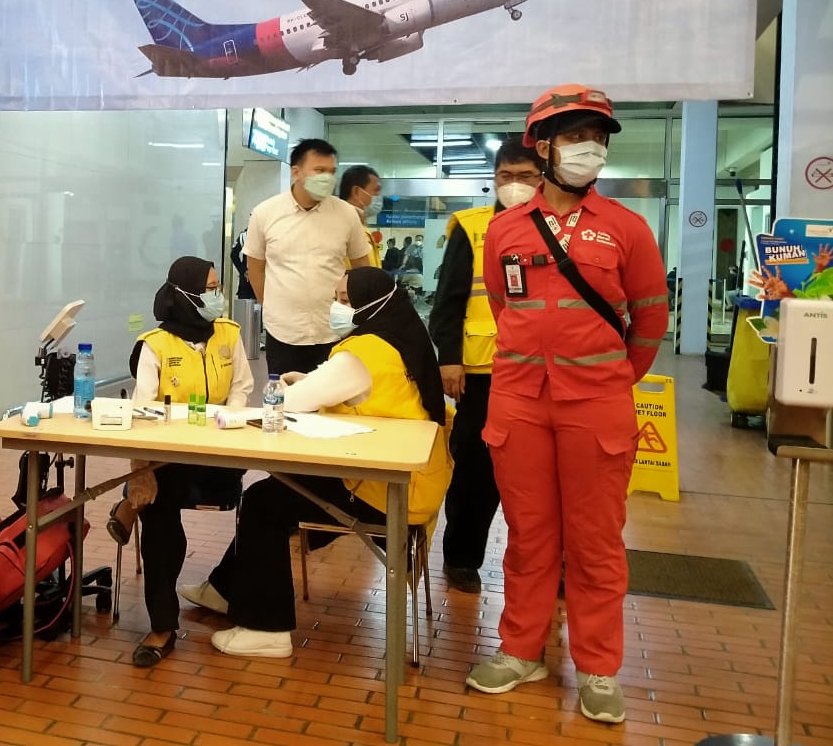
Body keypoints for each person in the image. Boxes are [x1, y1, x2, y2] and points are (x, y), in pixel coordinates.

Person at [465, 85, 668, 725]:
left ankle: (600, 669)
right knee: (528, 535)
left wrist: (607, 379)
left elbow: (650, 322)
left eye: (599, 138)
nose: (591, 149)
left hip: (597, 407)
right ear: (544, 146)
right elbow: (505, 307)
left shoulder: (627, 229)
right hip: (520, 402)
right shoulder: (504, 231)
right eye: (577, 136)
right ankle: (521, 649)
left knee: (595, 542)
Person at [179, 268, 451, 658]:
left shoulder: (365, 352)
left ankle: (266, 629)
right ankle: (225, 589)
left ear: (369, 304)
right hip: (409, 487)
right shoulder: (399, 339)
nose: (336, 307)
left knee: (263, 502)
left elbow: (289, 403)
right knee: (282, 484)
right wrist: (309, 381)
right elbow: (354, 389)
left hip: (380, 493)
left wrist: (295, 388)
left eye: (344, 299)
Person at [105, 257, 253, 668]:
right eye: (208, 288)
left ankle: (130, 503)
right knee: (163, 506)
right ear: (184, 294)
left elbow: (241, 386)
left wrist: (229, 418)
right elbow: (143, 410)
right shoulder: (155, 345)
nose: (216, 296)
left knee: (159, 494)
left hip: (220, 452)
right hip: (172, 453)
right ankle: (163, 625)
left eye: (217, 286)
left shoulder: (229, 334)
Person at [429, 138, 544, 594]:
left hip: (542, 369)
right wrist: (449, 360)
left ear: (543, 178)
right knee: (475, 470)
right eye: (505, 177)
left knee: (539, 473)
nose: (514, 186)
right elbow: (449, 299)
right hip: (480, 371)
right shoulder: (472, 227)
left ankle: (544, 565)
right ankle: (461, 558)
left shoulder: (558, 226)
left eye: (525, 177)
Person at [245, 138, 371, 376]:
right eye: (319, 170)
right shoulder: (265, 213)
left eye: (332, 172)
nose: (328, 178)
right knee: (287, 403)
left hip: (334, 330)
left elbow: (363, 268)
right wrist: (270, 305)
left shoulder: (346, 214)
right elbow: (256, 268)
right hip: (283, 330)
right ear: (296, 172)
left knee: (334, 404)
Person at [338, 164, 384, 268]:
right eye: (376, 190)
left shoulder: (360, 225)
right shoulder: (343, 227)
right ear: (356, 192)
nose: (378, 196)